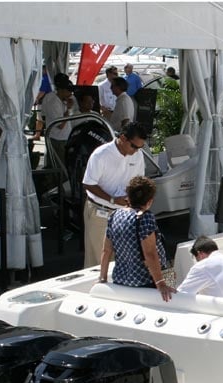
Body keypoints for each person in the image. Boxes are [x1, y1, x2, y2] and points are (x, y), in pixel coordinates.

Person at [98, 175, 175, 302]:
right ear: (149, 201)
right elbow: (150, 253)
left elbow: (106, 250)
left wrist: (103, 278)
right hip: (146, 280)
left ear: (128, 197)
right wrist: (161, 283)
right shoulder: (146, 218)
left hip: (121, 279)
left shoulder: (115, 215)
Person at [82, 122, 147, 268]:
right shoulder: (100, 155)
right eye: (134, 146)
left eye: (140, 147)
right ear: (123, 138)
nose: (136, 151)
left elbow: (139, 180)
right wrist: (112, 199)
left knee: (124, 258)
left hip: (125, 212)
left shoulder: (138, 155)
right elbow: (88, 183)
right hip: (100, 211)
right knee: (98, 260)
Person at [176, 236, 223, 300]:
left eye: (197, 259)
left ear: (200, 254)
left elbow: (180, 296)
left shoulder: (203, 266)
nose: (198, 262)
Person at [41, 72, 75, 170]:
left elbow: (43, 115)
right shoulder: (52, 101)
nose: (70, 94)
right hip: (57, 139)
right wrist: (68, 109)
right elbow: (60, 125)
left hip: (64, 137)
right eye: (68, 92)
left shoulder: (60, 99)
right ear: (61, 90)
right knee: (59, 167)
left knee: (63, 165)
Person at [33, 65, 52, 141]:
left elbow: (42, 91)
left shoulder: (44, 79)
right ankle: (38, 135)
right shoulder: (49, 78)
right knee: (42, 119)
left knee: (40, 119)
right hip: (48, 102)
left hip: (43, 102)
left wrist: (36, 99)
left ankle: (37, 135)